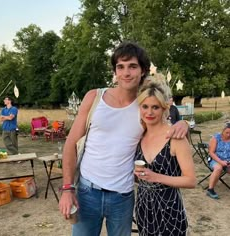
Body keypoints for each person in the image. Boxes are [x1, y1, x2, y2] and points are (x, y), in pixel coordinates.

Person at [59, 41, 189, 236]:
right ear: (115, 71)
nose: (126, 73)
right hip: (87, 192)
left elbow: (164, 128)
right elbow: (70, 144)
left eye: (132, 66)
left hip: (122, 197)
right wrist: (67, 189)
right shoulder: (94, 98)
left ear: (143, 70)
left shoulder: (144, 106)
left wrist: (183, 124)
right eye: (120, 67)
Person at [134, 75, 196, 235]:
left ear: (164, 108)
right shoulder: (140, 136)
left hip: (170, 210)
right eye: (145, 106)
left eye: (155, 107)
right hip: (143, 209)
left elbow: (191, 180)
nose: (149, 112)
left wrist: (155, 177)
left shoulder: (175, 138)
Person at [207, 122, 230, 199]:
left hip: (227, 160)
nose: (228, 135)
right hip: (215, 159)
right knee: (218, 168)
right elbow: (211, 152)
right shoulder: (216, 137)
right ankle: (210, 189)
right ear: (222, 131)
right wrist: (221, 162)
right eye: (227, 132)